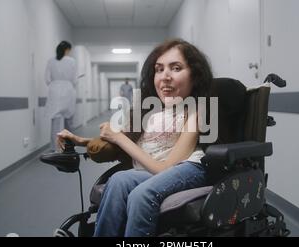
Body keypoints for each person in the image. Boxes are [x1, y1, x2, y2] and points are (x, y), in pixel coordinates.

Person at [56, 38, 213, 236]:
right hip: (154, 168)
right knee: (117, 180)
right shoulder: (152, 111)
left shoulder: (195, 111)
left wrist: (119, 138)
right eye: (159, 69)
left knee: (141, 195)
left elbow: (166, 168)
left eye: (175, 68)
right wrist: (80, 140)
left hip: (187, 168)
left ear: (195, 76)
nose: (165, 76)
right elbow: (124, 139)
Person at [45, 41, 77, 152]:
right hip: (68, 90)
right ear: (67, 50)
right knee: (69, 120)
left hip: (54, 91)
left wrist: (55, 84)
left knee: (55, 121)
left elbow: (47, 79)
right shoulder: (71, 61)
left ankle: (54, 148)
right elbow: (74, 79)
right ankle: (69, 147)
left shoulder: (50, 61)